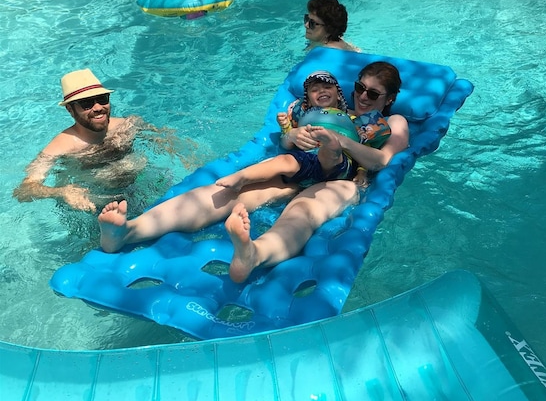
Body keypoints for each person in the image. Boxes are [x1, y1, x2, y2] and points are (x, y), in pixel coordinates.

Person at [97, 62, 409, 272]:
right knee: (229, 193)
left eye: (373, 93)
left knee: (303, 212)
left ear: (391, 98)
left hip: (345, 180)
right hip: (301, 167)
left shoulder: (393, 121)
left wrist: (337, 143)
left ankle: (253, 253)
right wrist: (294, 137)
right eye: (359, 87)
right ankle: (128, 232)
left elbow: (381, 160)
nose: (363, 97)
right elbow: (286, 142)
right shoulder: (332, 109)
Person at [13, 68, 189, 213]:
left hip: (143, 186)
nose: (98, 108)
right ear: (70, 110)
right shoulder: (61, 147)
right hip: (97, 205)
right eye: (86, 103)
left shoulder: (128, 124)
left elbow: (164, 137)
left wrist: (178, 149)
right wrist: (62, 192)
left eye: (102, 99)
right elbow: (24, 191)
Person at [216, 70, 387, 192]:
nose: (321, 91)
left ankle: (330, 143)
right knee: (284, 160)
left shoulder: (352, 120)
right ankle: (242, 178)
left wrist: (362, 172)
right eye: (314, 90)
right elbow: (289, 140)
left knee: (331, 151)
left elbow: (365, 147)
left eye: (327, 87)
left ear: (338, 93)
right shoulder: (304, 117)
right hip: (307, 160)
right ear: (308, 100)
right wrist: (287, 128)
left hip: (340, 166)